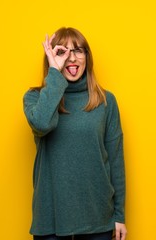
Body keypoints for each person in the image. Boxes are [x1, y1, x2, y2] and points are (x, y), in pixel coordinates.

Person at [23, 27, 127, 240]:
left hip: (98, 220)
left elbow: (115, 162)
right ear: (52, 57)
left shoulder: (105, 101)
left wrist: (119, 215)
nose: (72, 58)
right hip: (51, 219)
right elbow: (42, 124)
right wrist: (55, 73)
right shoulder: (35, 98)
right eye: (63, 51)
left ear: (87, 57)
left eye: (78, 50)